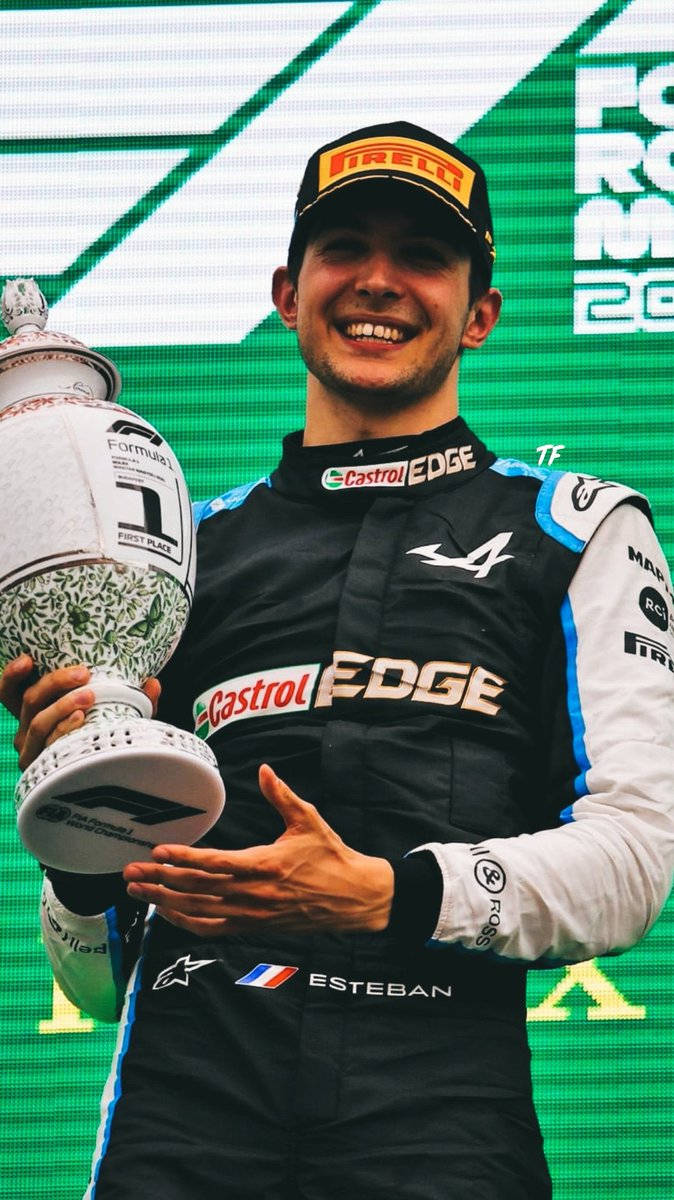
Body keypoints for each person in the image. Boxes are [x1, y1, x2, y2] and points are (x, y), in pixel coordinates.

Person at [2, 121, 673, 1200]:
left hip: (439, 1118)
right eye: (342, 247)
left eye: (421, 255)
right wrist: (81, 839)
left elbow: (634, 863)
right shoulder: (181, 560)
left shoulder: (574, 531)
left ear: (480, 313)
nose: (377, 279)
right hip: (183, 1117)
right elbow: (90, 987)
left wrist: (383, 895)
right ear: (287, 290)